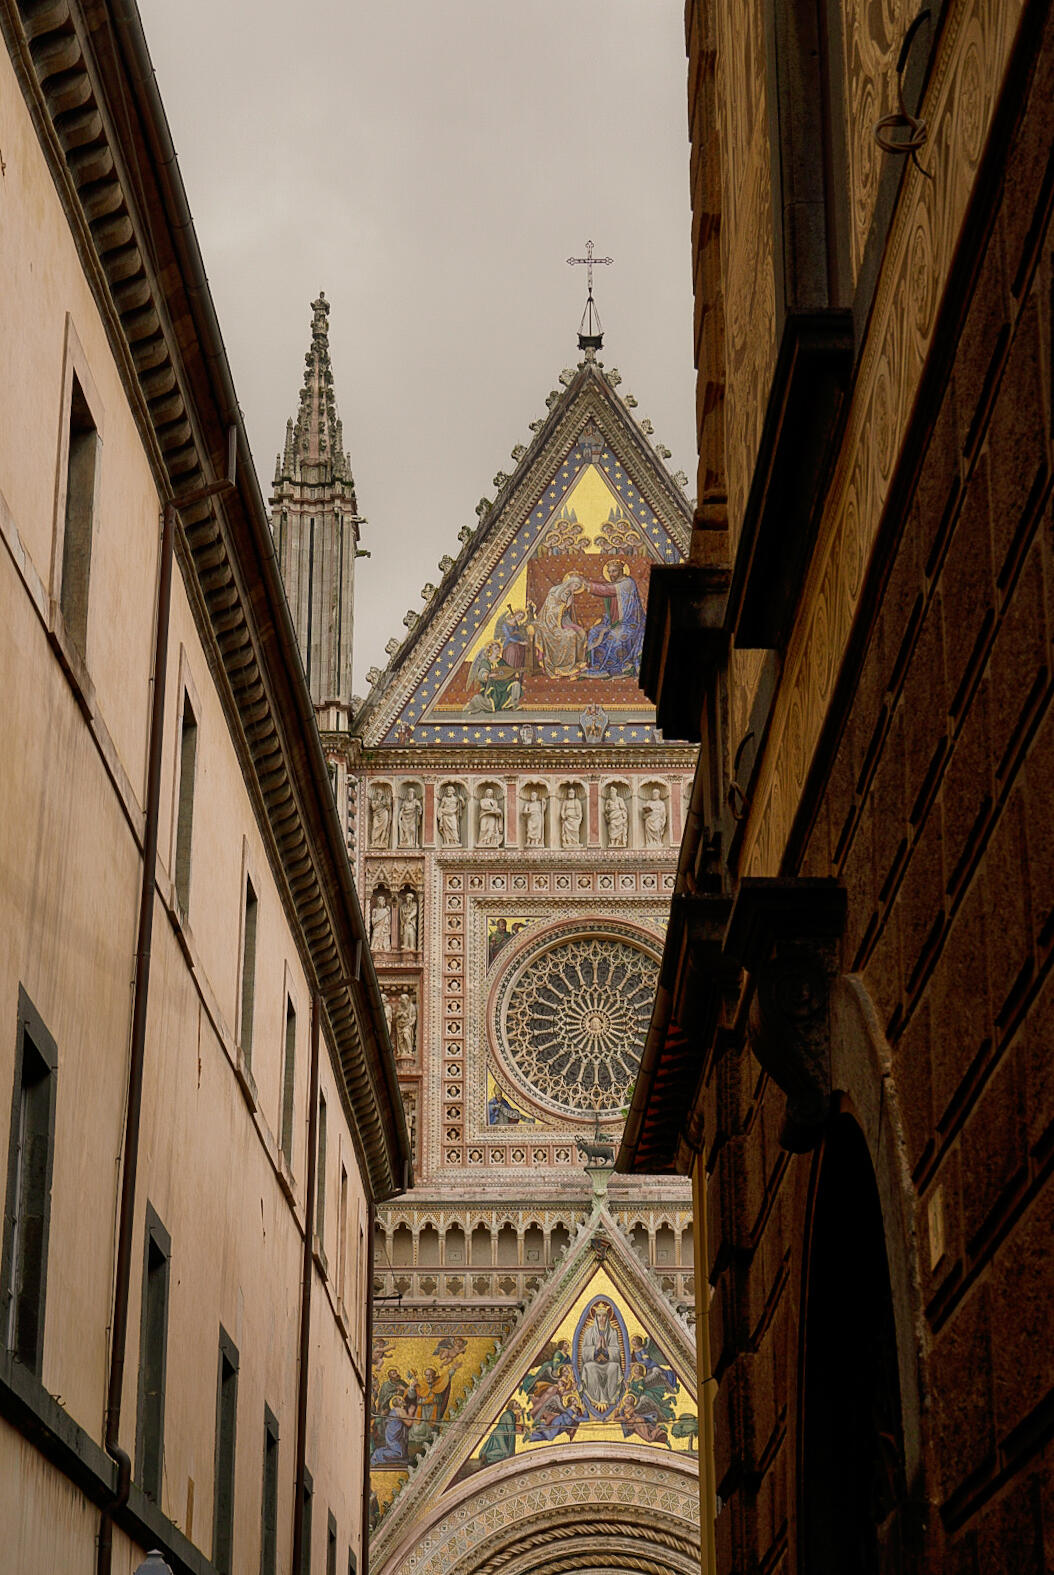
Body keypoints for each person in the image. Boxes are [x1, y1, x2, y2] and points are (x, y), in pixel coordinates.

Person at [583, 560, 645, 678]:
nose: (611, 574)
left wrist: (587, 585)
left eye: (614, 571)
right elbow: (607, 588)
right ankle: (596, 665)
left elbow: (606, 590)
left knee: (616, 636)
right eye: (609, 572)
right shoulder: (616, 583)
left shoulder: (628, 583)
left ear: (621, 570)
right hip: (613, 621)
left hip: (630, 622)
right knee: (594, 632)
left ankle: (618, 668)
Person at [535, 573, 586, 677]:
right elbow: (551, 609)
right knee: (571, 635)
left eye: (578, 587)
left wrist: (566, 607)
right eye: (575, 585)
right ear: (570, 582)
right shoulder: (557, 591)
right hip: (550, 624)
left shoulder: (569, 594)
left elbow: (565, 613)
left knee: (581, 633)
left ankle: (579, 662)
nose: (575, 588)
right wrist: (565, 605)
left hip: (563, 621)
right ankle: (564, 667)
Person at [578, 1299, 625, 1411]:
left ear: (607, 1317)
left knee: (614, 1367)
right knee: (589, 1367)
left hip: (608, 1363)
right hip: (594, 1363)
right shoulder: (589, 1332)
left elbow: (616, 1351)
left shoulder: (613, 1332)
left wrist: (606, 1349)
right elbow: (584, 1352)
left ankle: (610, 1397)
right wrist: (595, 1348)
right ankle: (596, 1398)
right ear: (595, 1317)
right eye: (599, 1316)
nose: (601, 1318)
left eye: (604, 1316)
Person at [395, 992, 416, 1058]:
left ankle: (409, 1051)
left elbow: (414, 1016)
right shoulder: (400, 1007)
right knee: (400, 1040)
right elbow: (396, 1016)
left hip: (407, 1024)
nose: (402, 1001)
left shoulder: (411, 1007)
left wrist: (411, 1023)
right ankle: (402, 1052)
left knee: (406, 1035)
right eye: (401, 1000)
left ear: (406, 1000)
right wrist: (401, 1013)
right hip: (399, 1025)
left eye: (403, 1000)